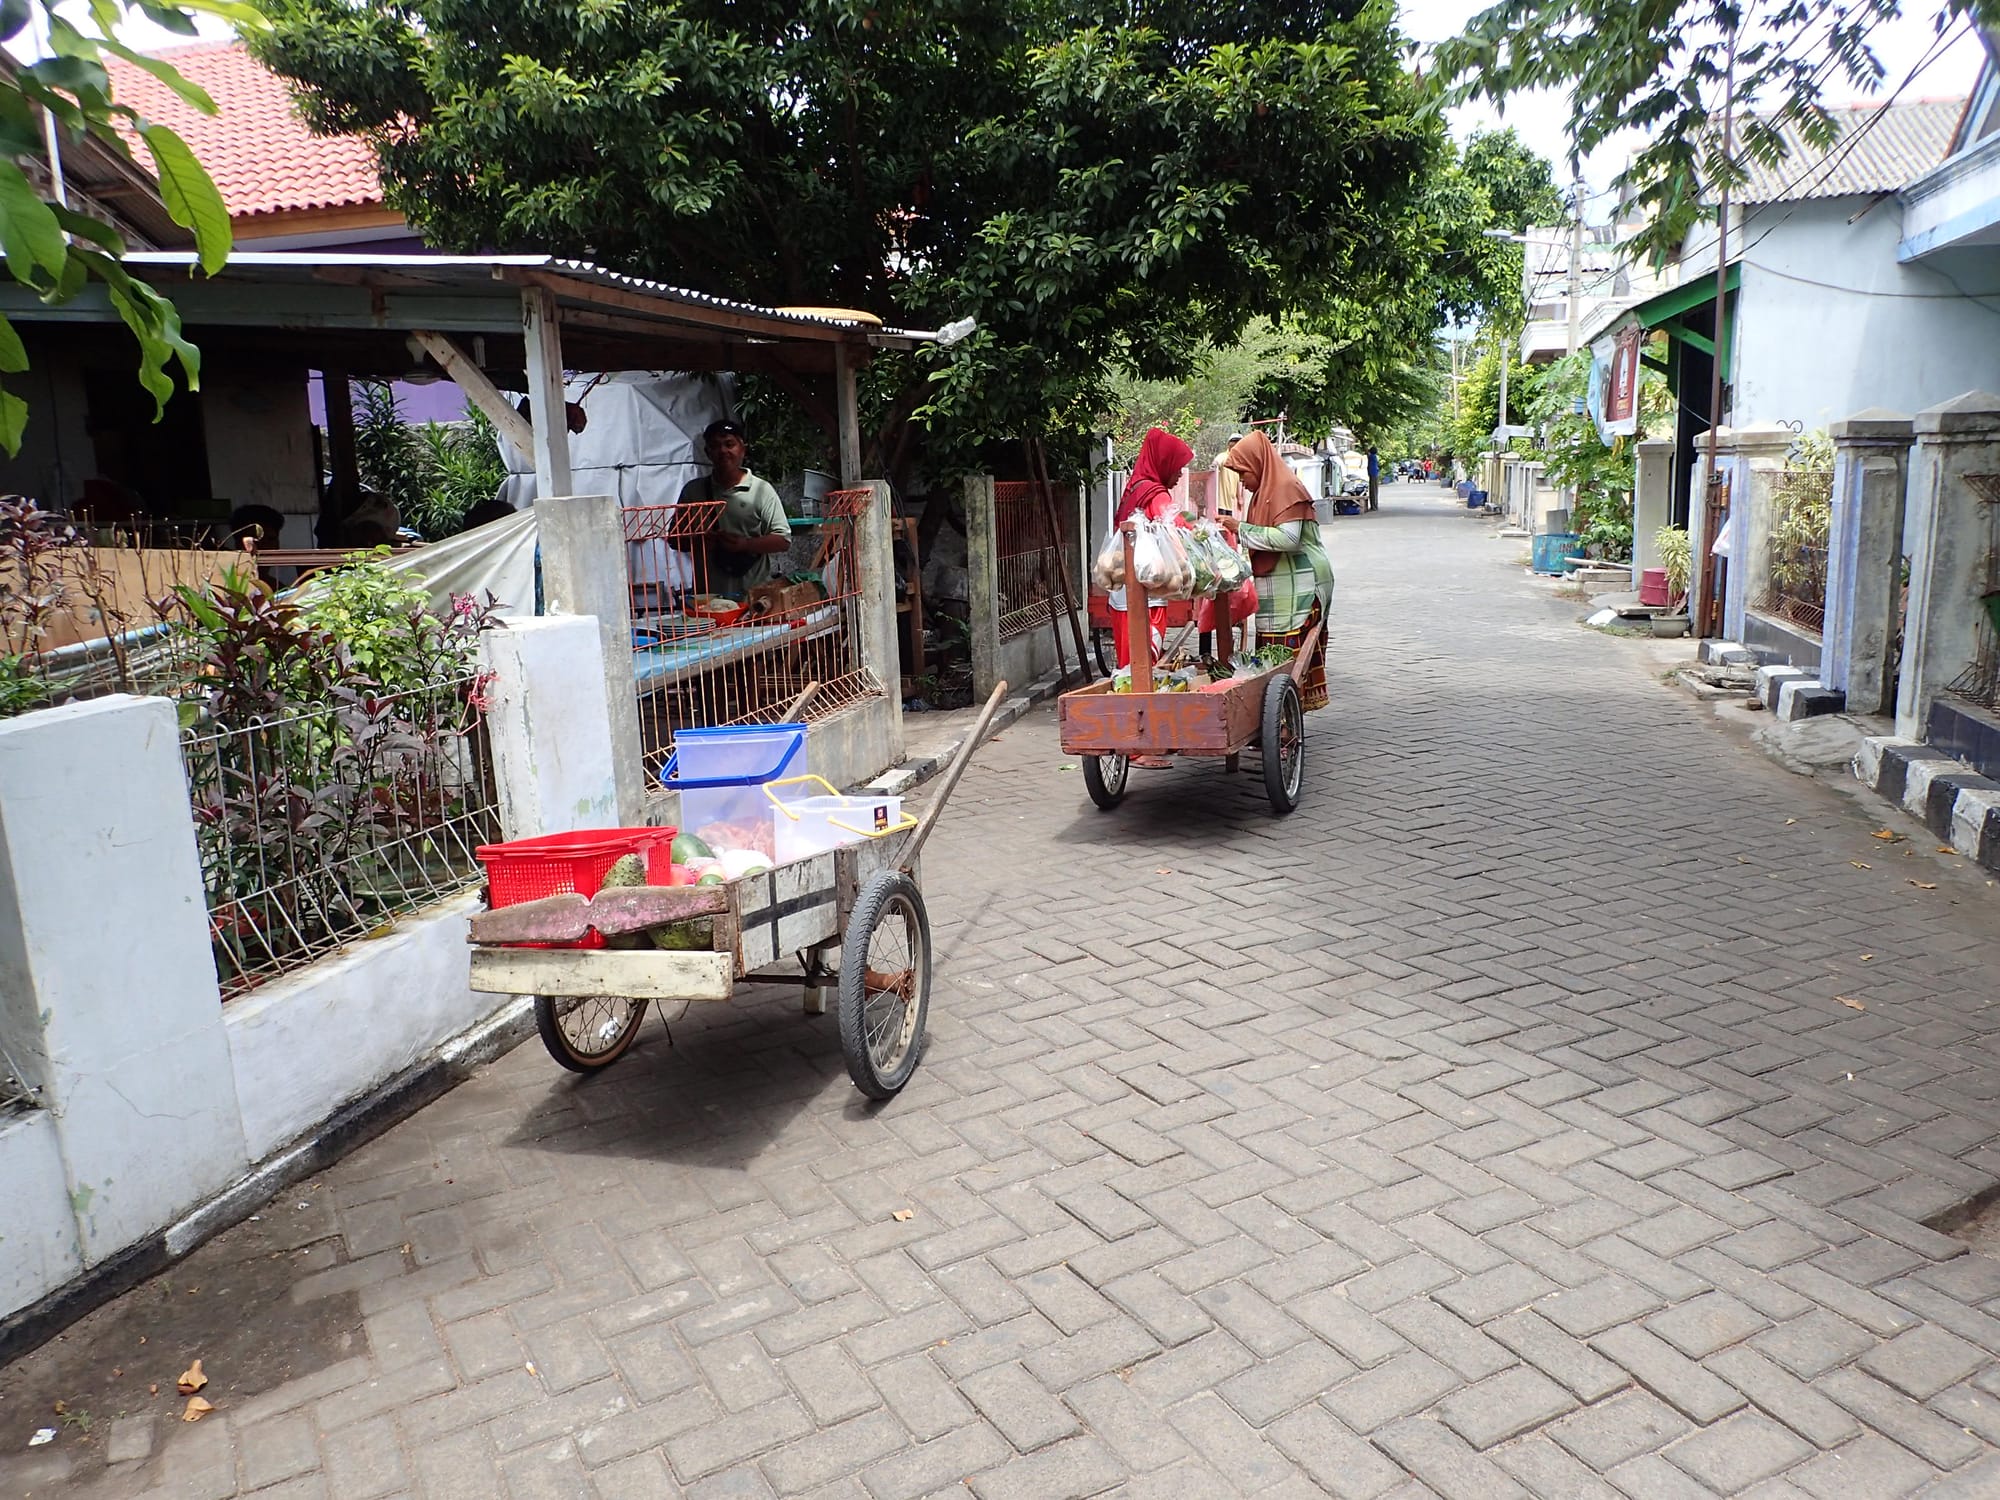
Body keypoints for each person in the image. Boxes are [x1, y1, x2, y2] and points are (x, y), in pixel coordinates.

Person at [1220, 429, 1334, 710]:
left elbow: (1289, 539)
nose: (1242, 482)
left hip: (1301, 586)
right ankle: (1279, 719)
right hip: (1281, 587)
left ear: (1258, 463)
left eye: (1244, 473)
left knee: (1285, 655)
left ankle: (1283, 721)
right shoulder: (1264, 493)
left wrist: (1241, 529)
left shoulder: (1285, 488)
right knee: (1273, 654)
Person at [669, 419, 791, 599]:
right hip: (707, 600)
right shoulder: (692, 492)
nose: (723, 451)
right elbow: (673, 539)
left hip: (754, 599)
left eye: (729, 444)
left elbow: (783, 540)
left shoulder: (761, 490)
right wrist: (699, 541)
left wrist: (746, 544)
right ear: (707, 452)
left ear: (743, 449)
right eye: (715, 446)